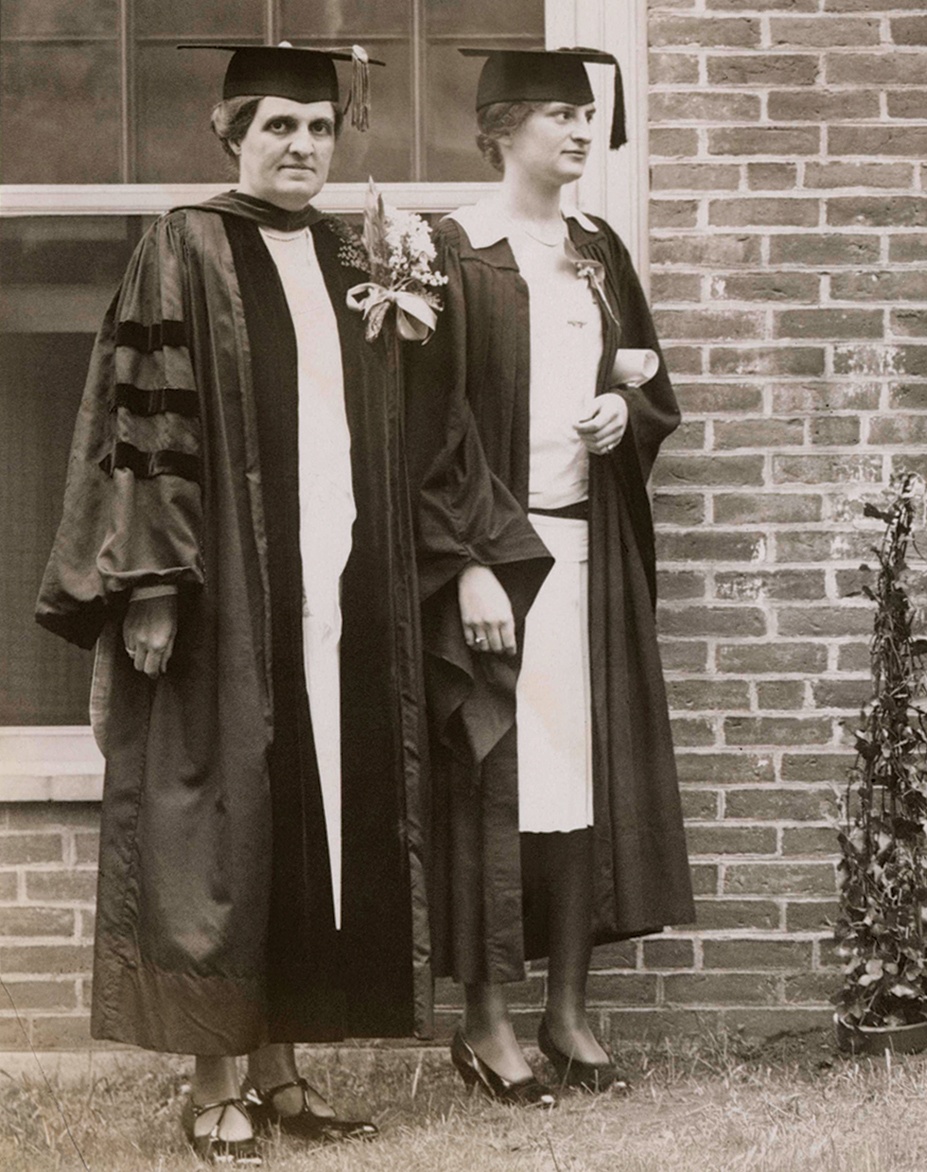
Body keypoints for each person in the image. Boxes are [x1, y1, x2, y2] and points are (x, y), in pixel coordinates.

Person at [36, 42, 416, 1161]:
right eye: (278, 127)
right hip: (224, 588)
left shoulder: (351, 250)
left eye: (318, 127)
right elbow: (138, 417)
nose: (303, 146)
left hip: (331, 584)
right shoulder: (187, 242)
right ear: (230, 134)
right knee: (217, 824)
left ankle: (284, 1073)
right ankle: (214, 1083)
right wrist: (152, 584)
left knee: (307, 809)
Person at [406, 46, 695, 1104]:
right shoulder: (448, 250)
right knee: (492, 782)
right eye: (557, 115)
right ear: (500, 128)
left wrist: (628, 415)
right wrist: (467, 565)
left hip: (584, 553)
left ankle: (566, 1010)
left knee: (581, 784)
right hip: (492, 562)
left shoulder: (596, 247)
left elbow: (646, 382)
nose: (579, 132)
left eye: (587, 114)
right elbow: (420, 434)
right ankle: (484, 1021)